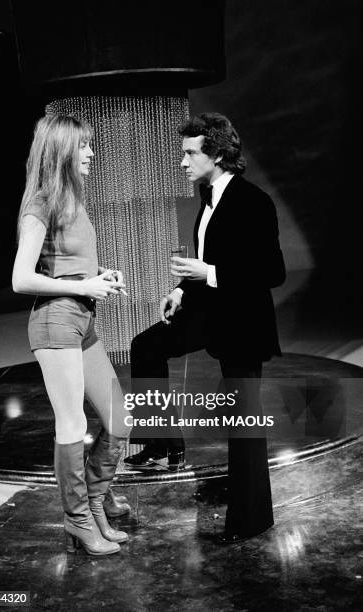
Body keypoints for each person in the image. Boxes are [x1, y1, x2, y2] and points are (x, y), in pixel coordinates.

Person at [125, 113, 286, 542]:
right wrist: (181, 287)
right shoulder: (207, 194)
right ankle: (162, 441)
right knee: (145, 346)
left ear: (216, 153)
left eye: (190, 153)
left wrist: (208, 271)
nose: (182, 161)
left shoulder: (254, 201)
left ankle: (252, 518)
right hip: (209, 309)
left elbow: (272, 271)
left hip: (243, 322)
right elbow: (210, 255)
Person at [12, 114, 131, 556]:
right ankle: (78, 520)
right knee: (73, 423)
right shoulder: (40, 203)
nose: (91, 154)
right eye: (83, 146)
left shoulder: (72, 201)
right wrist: (83, 285)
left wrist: (97, 276)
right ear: (62, 150)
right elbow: (21, 279)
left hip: (83, 321)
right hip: (55, 322)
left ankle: (96, 502)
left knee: (120, 418)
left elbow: (63, 266)